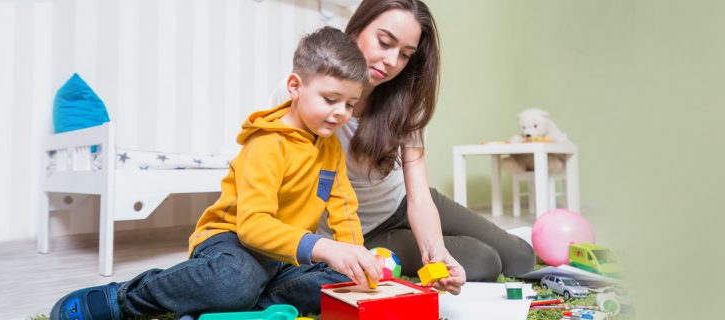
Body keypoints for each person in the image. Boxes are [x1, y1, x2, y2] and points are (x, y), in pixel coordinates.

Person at [50, 26, 382, 320]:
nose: (341, 113)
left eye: (350, 104)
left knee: (337, 287)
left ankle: (235, 303)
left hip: (285, 256)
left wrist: (355, 256)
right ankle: (127, 297)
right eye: (330, 99)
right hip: (234, 243)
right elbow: (253, 226)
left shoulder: (331, 147)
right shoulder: (268, 143)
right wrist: (324, 248)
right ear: (295, 86)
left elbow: (343, 206)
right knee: (234, 280)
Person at [272, 0, 536, 294]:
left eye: (405, 54)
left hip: (402, 201)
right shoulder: (307, 93)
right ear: (357, 27)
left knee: (522, 258)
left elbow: (419, 195)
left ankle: (509, 236)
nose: (391, 61)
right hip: (366, 232)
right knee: (484, 261)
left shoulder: (403, 101)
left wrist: (435, 249)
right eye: (384, 42)